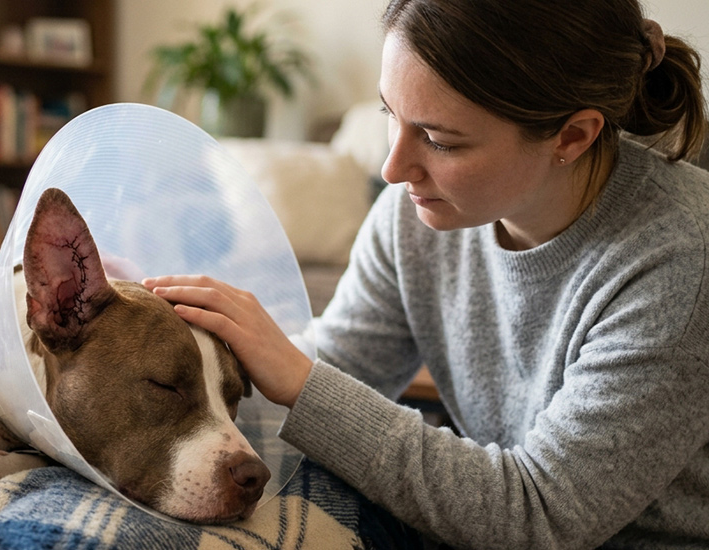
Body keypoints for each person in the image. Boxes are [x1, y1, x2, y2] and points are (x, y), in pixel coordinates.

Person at [143, 0, 709, 548]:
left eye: (439, 140)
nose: (393, 169)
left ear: (572, 136)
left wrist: (302, 379)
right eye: (391, 113)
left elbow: (539, 516)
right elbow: (338, 365)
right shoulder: (415, 214)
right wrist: (178, 357)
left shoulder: (680, 258)